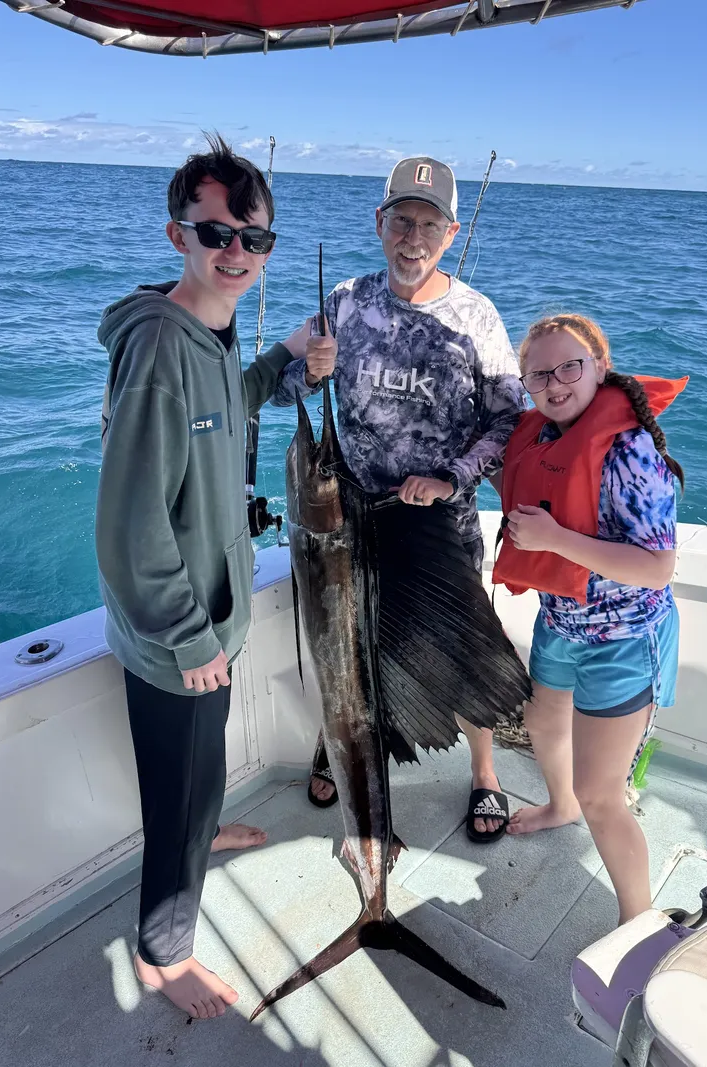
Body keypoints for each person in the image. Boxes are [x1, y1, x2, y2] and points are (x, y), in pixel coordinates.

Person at [95, 135, 335, 1019]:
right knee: (179, 783)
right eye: (216, 234)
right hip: (180, 635)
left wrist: (286, 360)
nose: (236, 254)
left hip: (214, 618)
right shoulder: (159, 346)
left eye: (254, 239)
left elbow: (225, 402)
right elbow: (127, 522)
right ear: (178, 236)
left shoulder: (207, 328)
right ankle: (165, 949)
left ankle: (202, 838)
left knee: (204, 775)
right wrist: (189, 635)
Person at [273, 156, 526, 842]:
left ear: (449, 234)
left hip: (438, 525)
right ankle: (341, 742)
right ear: (379, 224)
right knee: (346, 648)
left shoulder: (476, 315)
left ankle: (485, 773)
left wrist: (453, 476)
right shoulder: (347, 300)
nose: (413, 238)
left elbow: (511, 421)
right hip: (346, 521)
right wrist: (306, 369)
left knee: (460, 645)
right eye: (401, 221)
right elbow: (279, 382)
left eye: (429, 226)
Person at [493, 313, 686, 924]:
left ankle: (637, 923)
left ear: (600, 367)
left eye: (569, 366)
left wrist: (553, 539)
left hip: (625, 638)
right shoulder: (541, 436)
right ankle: (558, 807)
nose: (555, 383)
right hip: (563, 623)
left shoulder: (631, 453)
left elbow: (657, 569)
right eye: (539, 374)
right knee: (543, 720)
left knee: (601, 794)